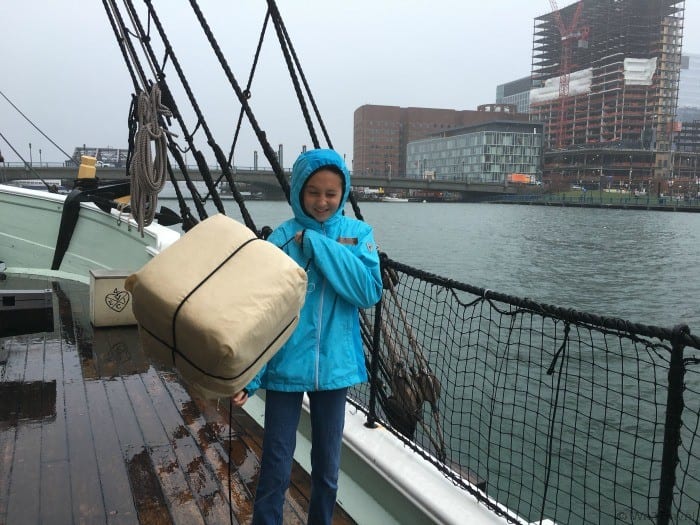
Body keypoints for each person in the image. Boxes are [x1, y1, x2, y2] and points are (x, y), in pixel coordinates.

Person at [232, 148, 383, 525]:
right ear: (299, 190)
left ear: (343, 193)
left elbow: (368, 290)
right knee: (276, 464)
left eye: (331, 193)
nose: (322, 201)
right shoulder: (281, 238)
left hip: (334, 369)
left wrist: (318, 244)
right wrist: (250, 377)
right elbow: (261, 312)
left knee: (328, 468)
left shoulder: (358, 234)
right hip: (284, 366)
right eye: (313, 191)